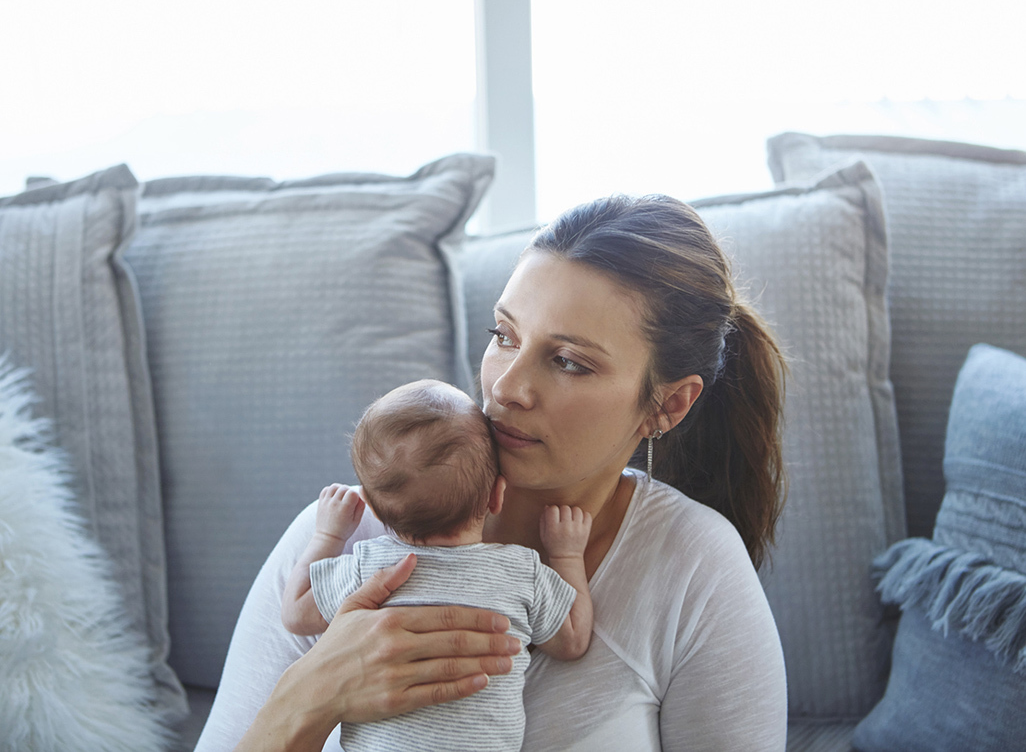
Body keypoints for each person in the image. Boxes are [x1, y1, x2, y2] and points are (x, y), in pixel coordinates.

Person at [199, 194, 789, 752]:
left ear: (669, 405)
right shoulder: (343, 534)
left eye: (568, 362)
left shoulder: (695, 568)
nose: (505, 388)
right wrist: (314, 693)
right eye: (503, 336)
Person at [279, 379, 593, 751]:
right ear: (497, 496)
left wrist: (328, 536)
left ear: (373, 510)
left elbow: (297, 613)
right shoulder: (519, 570)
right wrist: (568, 555)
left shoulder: (371, 568)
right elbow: (572, 639)